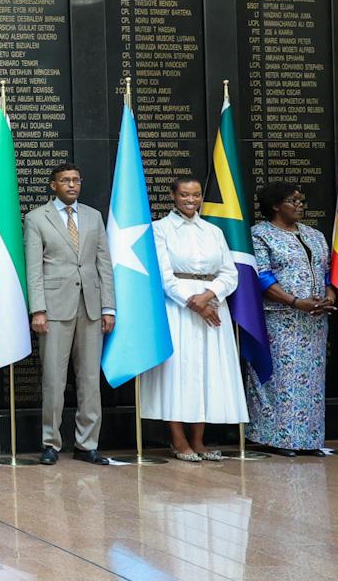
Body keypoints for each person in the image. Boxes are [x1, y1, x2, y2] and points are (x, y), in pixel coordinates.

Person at [139, 176, 248, 461]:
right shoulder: (160, 229)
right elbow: (163, 274)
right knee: (178, 373)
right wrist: (195, 303)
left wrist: (210, 294)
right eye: (185, 195)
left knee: (208, 372)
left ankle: (199, 440)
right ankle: (178, 439)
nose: (191, 200)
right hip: (179, 309)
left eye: (196, 195)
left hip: (213, 305)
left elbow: (229, 272)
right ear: (173, 195)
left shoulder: (213, 230)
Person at [23, 163, 115, 465]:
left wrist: (108, 307)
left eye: (76, 180)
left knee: (90, 378)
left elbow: (104, 264)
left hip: (89, 306)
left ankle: (87, 444)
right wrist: (38, 309)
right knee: (53, 379)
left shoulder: (93, 216)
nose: (72, 185)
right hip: (54, 308)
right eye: (65, 180)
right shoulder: (36, 218)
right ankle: (51, 442)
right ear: (53, 185)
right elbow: (34, 268)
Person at [244, 181, 334, 457]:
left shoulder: (314, 235)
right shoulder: (261, 235)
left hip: (315, 318)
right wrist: (295, 302)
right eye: (293, 201)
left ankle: (308, 438)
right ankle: (276, 437)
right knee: (282, 379)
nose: (300, 206)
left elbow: (328, 270)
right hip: (280, 319)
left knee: (312, 381)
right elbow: (262, 276)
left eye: (302, 201)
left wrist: (330, 295)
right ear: (275, 205)